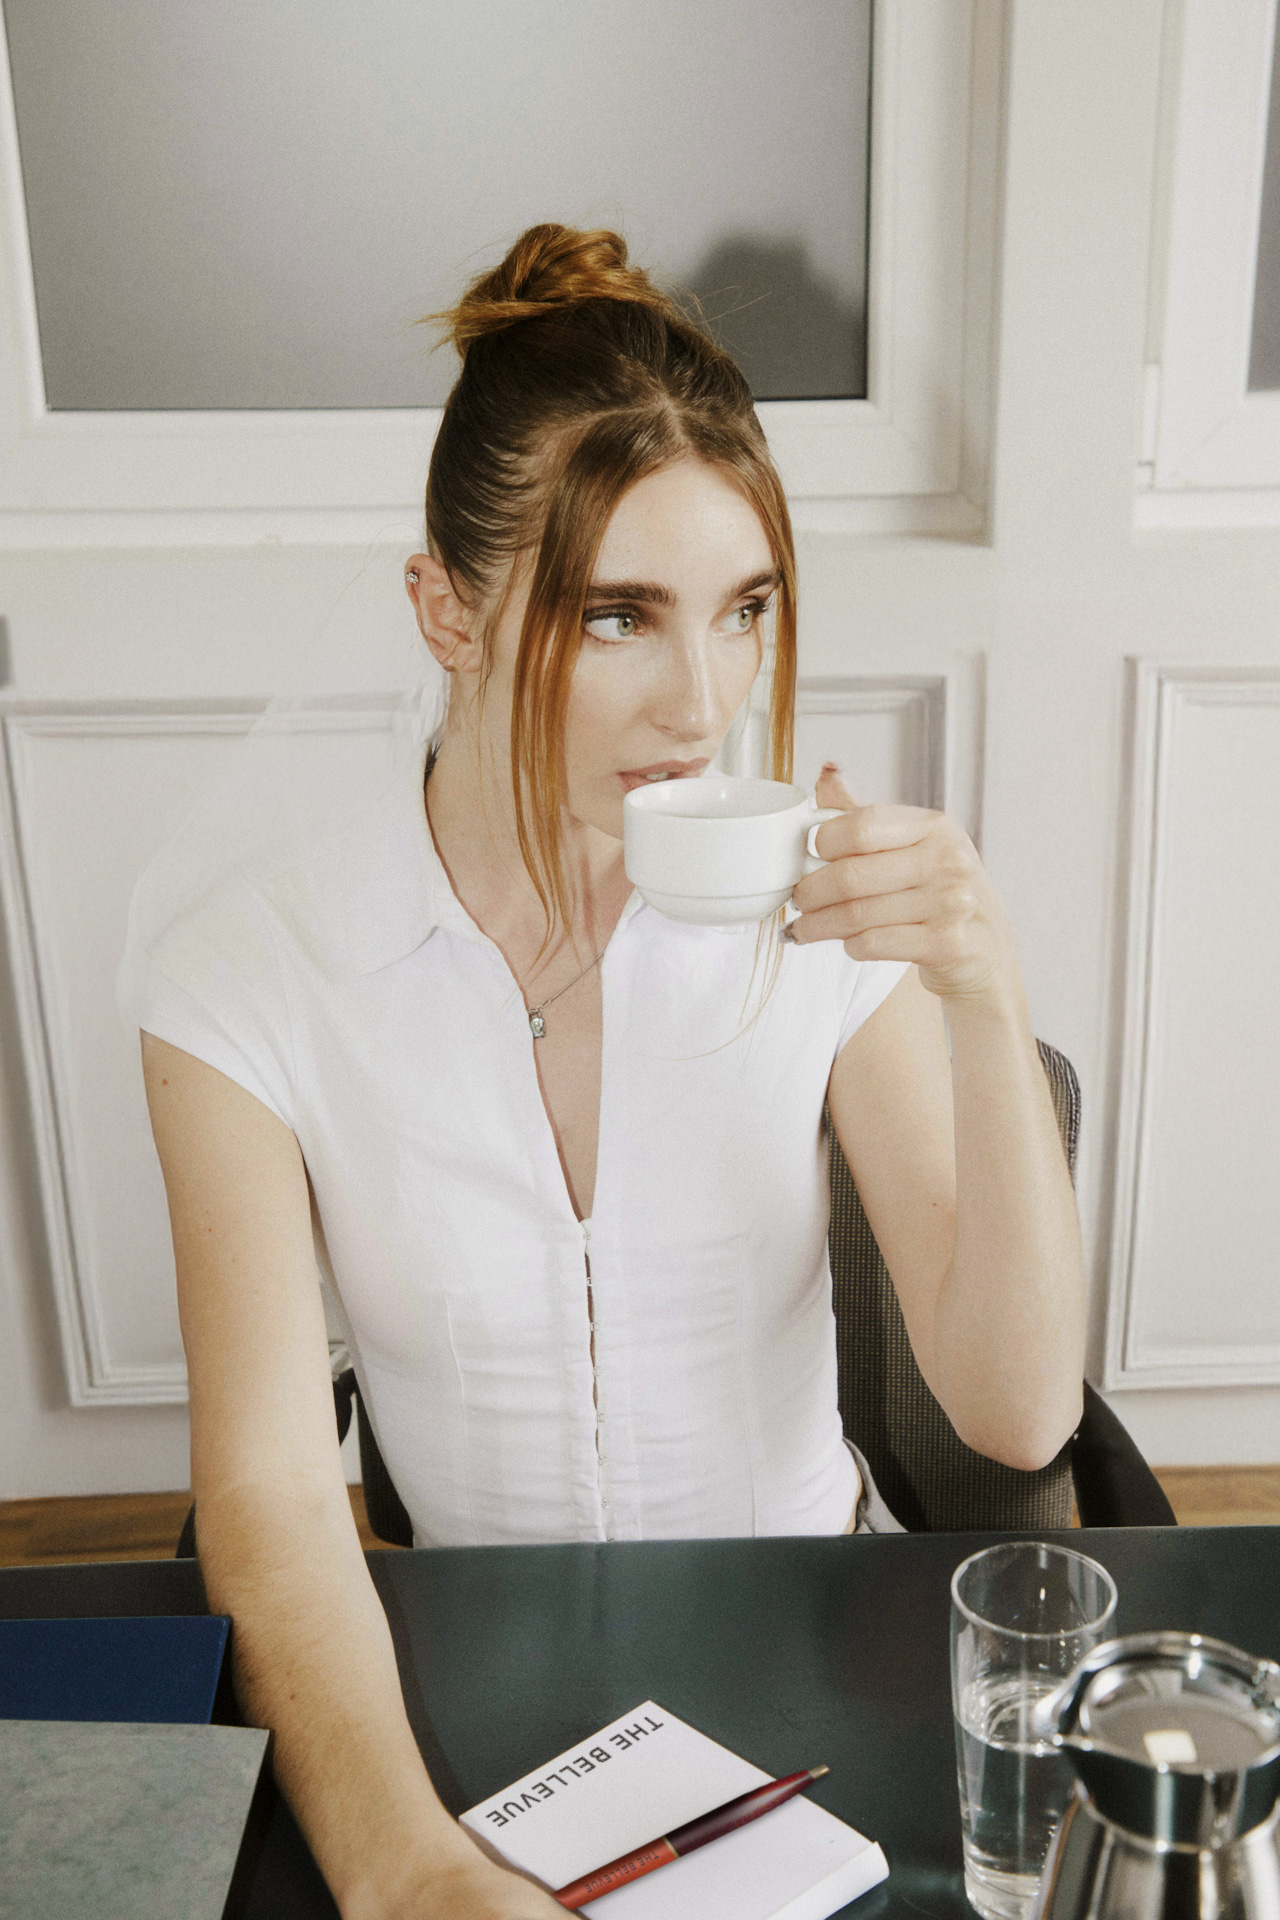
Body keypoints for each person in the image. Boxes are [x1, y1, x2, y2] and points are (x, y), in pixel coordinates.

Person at [119, 225, 1085, 1919]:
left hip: (816, 1668)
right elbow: (269, 1497)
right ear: (447, 608)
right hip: (465, 1698)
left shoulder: (818, 924)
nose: (704, 705)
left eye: (747, 612)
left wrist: (982, 996)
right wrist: (411, 1870)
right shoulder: (244, 983)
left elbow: (1013, 1410)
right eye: (620, 616)